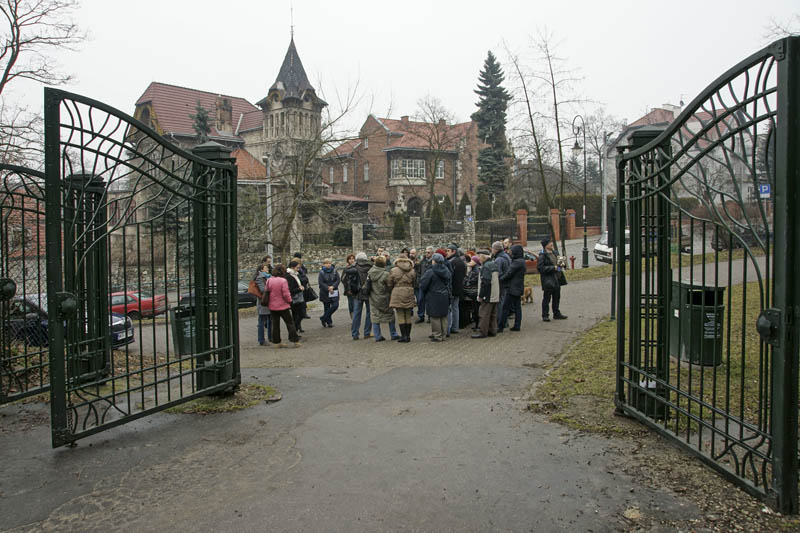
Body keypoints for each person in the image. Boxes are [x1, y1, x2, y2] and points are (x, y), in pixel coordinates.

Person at [266, 264, 301, 347]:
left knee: (275, 324)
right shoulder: (283, 281)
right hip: (283, 305)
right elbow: (286, 293)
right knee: (289, 323)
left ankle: (277, 342)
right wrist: (290, 301)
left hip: (272, 306)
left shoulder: (269, 280)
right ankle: (295, 340)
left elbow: (267, 291)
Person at [419, 252, 452, 342]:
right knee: (443, 316)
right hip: (444, 295)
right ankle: (443, 334)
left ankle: (437, 335)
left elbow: (423, 284)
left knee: (435, 316)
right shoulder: (446, 270)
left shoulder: (431, 271)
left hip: (433, 295)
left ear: (434, 261)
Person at [367, 255, 399, 341]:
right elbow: (389, 286)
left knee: (375, 316)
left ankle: (377, 336)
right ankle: (393, 334)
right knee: (390, 315)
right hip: (384, 297)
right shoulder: (385, 274)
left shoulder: (370, 272)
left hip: (373, 297)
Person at [387, 252, 416, 343]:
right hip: (409, 291)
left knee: (400, 314)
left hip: (398, 291)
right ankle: (408, 336)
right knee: (408, 314)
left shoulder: (394, 270)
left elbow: (389, 283)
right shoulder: (412, 270)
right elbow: (414, 282)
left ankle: (403, 336)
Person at [538, 238, 568, 322]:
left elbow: (560, 265)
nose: (551, 244)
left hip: (557, 279)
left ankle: (556, 313)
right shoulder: (542, 256)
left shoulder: (555, 252)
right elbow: (540, 268)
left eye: (551, 242)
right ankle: (545, 315)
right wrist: (552, 268)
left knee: (557, 297)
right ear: (545, 245)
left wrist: (562, 263)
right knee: (547, 298)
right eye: (549, 243)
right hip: (549, 280)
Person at [472, 250, 500, 339]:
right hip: (495, 294)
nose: (478, 258)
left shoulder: (486, 267)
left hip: (488, 294)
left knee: (484, 313)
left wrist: (481, 296)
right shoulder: (493, 264)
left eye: (479, 256)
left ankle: (483, 332)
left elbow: (485, 283)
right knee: (493, 313)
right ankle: (492, 330)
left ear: (483, 257)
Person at [498, 244, 526, 332]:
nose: (510, 253)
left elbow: (509, 273)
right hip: (518, 287)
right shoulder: (521, 261)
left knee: (505, 307)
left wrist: (500, 279)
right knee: (517, 307)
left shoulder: (516, 262)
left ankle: (501, 326)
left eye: (512, 251)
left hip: (512, 288)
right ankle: (517, 325)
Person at [348, 252, 373, 340]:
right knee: (369, 313)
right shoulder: (371, 267)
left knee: (356, 314)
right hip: (369, 293)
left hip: (357, 293)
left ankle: (355, 334)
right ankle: (367, 332)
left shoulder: (353, 267)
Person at [446, 244, 466, 335]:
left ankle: (450, 327)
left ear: (453, 251)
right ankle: (455, 327)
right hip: (459, 288)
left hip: (452, 288)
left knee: (450, 309)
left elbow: (449, 277)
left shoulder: (451, 262)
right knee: (455, 308)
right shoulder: (461, 262)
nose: (446, 253)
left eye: (448, 251)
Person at [492, 241, 511, 329]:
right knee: (504, 302)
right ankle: (504, 321)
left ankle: (500, 323)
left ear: (495, 249)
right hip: (507, 283)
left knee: (500, 304)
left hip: (501, 284)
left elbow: (497, 273)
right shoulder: (506, 256)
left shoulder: (499, 259)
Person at [318, 258, 340, 328]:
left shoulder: (334, 271)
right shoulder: (321, 272)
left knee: (335, 305)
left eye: (329, 263)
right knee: (326, 307)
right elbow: (321, 282)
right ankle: (329, 322)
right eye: (327, 263)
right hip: (325, 292)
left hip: (334, 291)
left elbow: (338, 280)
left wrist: (333, 286)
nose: (328, 264)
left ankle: (323, 318)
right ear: (324, 264)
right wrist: (328, 288)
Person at [254, 262, 272, 345]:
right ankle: (261, 340)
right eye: (266, 268)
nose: (268, 269)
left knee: (270, 320)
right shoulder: (260, 278)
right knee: (262, 321)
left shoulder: (269, 277)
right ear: (261, 270)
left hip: (269, 301)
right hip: (263, 302)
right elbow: (262, 289)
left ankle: (271, 337)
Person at [415, 247, 433, 323]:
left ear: (432, 253)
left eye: (428, 252)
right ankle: (421, 316)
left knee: (429, 301)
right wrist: (419, 281)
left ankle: (430, 316)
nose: (426, 254)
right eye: (426, 252)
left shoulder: (433, 262)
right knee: (420, 300)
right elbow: (419, 272)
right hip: (422, 284)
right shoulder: (423, 261)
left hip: (430, 285)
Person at [286, 260, 305, 333]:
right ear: (292, 267)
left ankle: (297, 327)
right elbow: (290, 289)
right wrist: (298, 289)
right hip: (294, 298)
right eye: (297, 268)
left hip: (299, 296)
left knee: (301, 314)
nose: (298, 269)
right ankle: (295, 329)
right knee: (296, 315)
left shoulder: (296, 274)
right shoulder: (288, 276)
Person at [463, 254, 481, 331]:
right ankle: (476, 324)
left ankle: (478, 325)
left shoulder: (475, 271)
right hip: (474, 291)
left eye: (472, 260)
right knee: (475, 309)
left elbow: (472, 280)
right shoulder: (473, 269)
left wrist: (466, 282)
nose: (470, 262)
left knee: (476, 309)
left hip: (474, 291)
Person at [293, 252, 311, 319]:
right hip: (299, 285)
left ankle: (303, 313)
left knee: (303, 300)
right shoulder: (296, 266)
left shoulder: (301, 266)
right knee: (300, 301)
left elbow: (305, 271)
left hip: (303, 285)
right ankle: (302, 314)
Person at [342, 253, 357, 318]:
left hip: (357, 289)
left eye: (353, 259)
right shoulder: (346, 269)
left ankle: (356, 317)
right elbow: (343, 279)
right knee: (351, 304)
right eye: (350, 259)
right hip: (349, 290)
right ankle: (353, 317)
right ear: (348, 260)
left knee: (356, 304)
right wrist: (348, 288)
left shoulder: (357, 267)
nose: (352, 260)